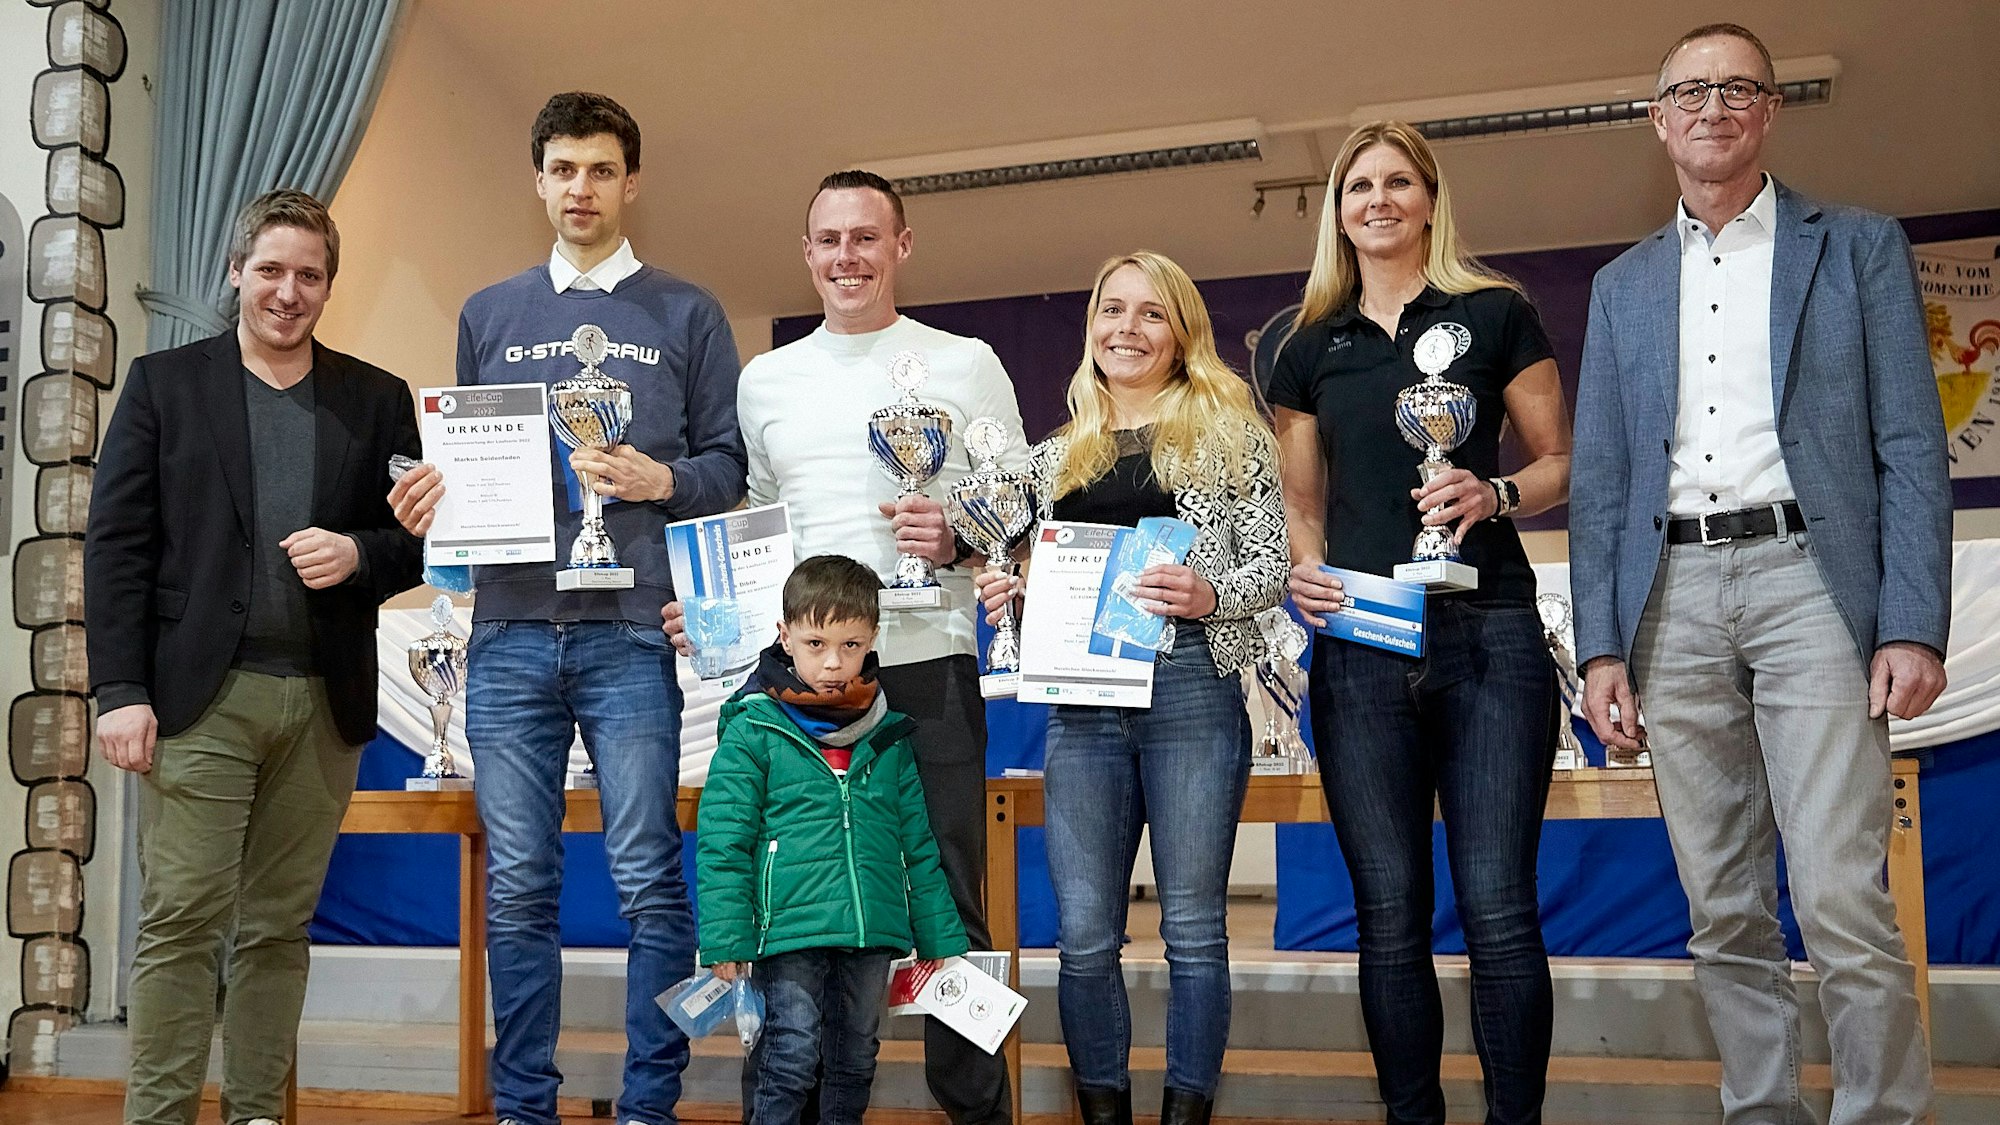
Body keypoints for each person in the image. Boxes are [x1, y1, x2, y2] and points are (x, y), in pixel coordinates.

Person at [1570, 23, 1949, 1124]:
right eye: (1686, 90)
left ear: (1768, 111)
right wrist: (1598, 646)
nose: (1710, 105)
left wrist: (1911, 621)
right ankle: (1761, 1110)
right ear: (1656, 120)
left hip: (1810, 584)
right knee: (1720, 906)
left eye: (1736, 87)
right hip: (1669, 599)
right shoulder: (1620, 286)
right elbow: (1597, 481)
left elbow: (1911, 446)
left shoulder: (1858, 247)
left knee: (1837, 895)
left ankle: (1879, 1111)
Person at [387, 92, 746, 1125]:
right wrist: (431, 501)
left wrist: (659, 481)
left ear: (630, 182)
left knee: (647, 879)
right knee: (518, 888)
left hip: (631, 635)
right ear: (537, 181)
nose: (579, 188)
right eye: (561, 170)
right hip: (502, 635)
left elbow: (727, 467)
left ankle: (647, 1103)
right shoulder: (487, 313)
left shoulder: (688, 311)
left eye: (599, 170)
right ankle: (523, 1107)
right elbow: (465, 468)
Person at [663, 169, 1023, 1125]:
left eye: (866, 237)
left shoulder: (967, 362)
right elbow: (759, 525)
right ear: (807, 253)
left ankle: (978, 1113)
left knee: (950, 897)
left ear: (902, 246)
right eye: (828, 240)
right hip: (793, 682)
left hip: (927, 656)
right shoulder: (764, 380)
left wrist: (960, 538)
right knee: (791, 907)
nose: (846, 256)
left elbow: (1017, 511)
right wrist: (717, 615)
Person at [84, 189, 423, 1125]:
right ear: (236, 272)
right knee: (183, 923)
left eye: (308, 275)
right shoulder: (164, 384)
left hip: (323, 704)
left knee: (277, 929)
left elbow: (416, 544)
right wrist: (119, 689)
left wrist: (360, 553)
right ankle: (158, 1116)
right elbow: (115, 547)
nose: (287, 290)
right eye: (269, 269)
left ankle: (255, 1114)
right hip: (200, 700)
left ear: (328, 286)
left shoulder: (378, 398)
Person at [1267, 121, 1572, 1124]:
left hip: (1488, 632)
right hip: (1360, 642)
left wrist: (1494, 493)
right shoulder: (1305, 342)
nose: (1378, 199)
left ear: (1430, 200)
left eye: (1399, 181)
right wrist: (1306, 575)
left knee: (1496, 909)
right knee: (1388, 919)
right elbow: (1300, 503)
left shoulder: (1494, 314)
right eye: (1358, 185)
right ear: (1336, 210)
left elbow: (1557, 460)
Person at [975, 250, 1287, 1125]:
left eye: (1152, 313)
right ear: (1091, 328)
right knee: (1082, 941)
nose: (1128, 328)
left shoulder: (1233, 435)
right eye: (1113, 310)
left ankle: (1187, 1114)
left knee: (1192, 930)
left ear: (1182, 330)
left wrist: (1209, 591)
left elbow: (1271, 563)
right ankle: (1104, 1115)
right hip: (1082, 701)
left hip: (1191, 685)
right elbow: (1007, 557)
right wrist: (1014, 587)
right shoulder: (1054, 456)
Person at [698, 554, 969, 1125]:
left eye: (850, 645)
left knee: (855, 1060)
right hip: (789, 929)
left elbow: (918, 847)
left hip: (872, 930)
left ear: (873, 640)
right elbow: (723, 843)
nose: (833, 663)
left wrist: (940, 935)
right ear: (785, 636)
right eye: (816, 643)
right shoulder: (754, 728)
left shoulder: (889, 735)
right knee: (790, 1055)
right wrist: (726, 939)